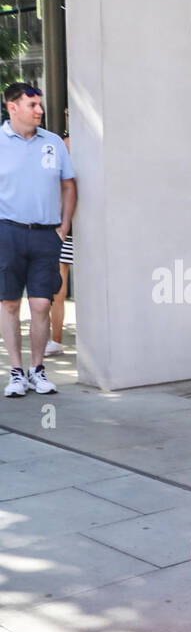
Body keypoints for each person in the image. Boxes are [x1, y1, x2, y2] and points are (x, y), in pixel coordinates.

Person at [1, 82, 76, 398]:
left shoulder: (54, 142)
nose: (40, 110)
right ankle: (16, 371)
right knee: (9, 303)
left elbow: (69, 185)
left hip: (46, 234)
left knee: (42, 303)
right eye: (32, 105)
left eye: (40, 104)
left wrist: (63, 226)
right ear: (12, 107)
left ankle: (37, 369)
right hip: (8, 232)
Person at [46, 132, 73, 356]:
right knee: (58, 288)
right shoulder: (58, 172)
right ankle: (56, 340)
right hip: (66, 232)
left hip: (91, 233)